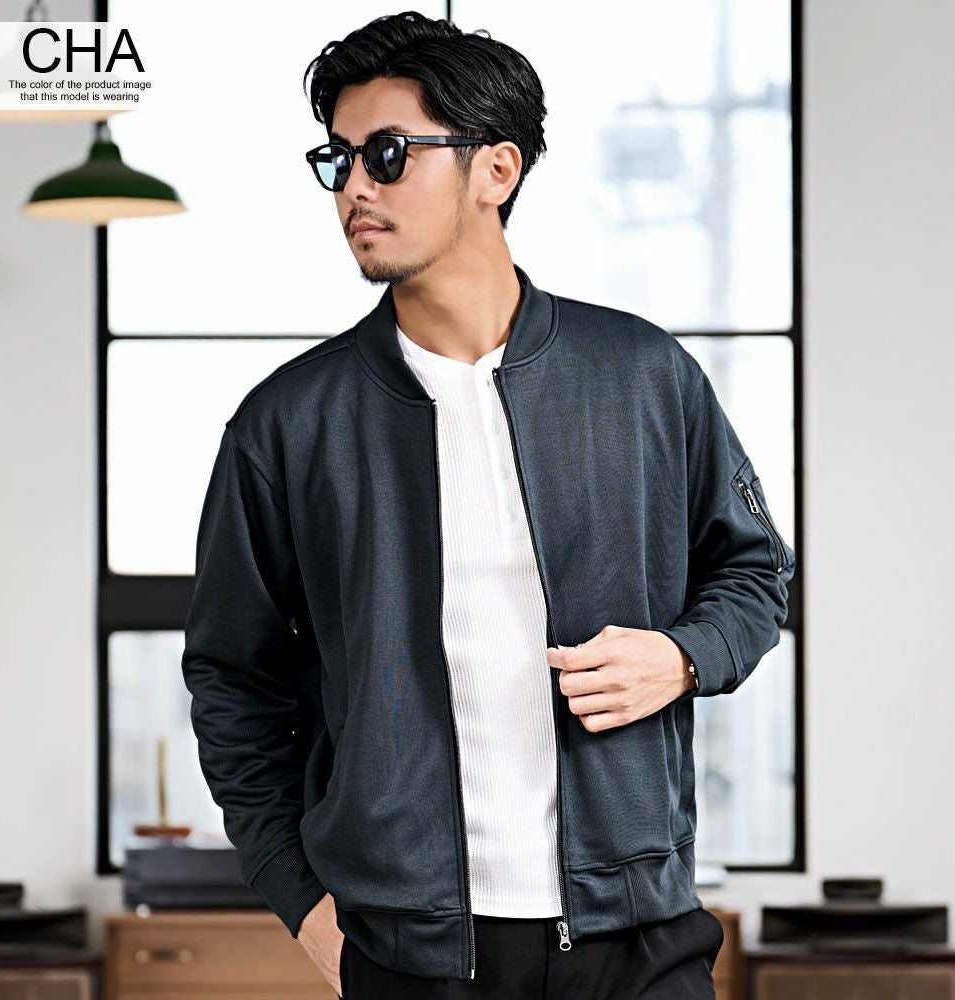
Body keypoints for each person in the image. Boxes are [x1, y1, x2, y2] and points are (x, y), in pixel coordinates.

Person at [181, 10, 796, 1000]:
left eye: (387, 154)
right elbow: (232, 683)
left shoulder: (641, 375)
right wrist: (303, 902)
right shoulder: (287, 425)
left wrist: (683, 657)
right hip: (408, 952)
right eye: (337, 160)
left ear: (495, 170)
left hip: (638, 935)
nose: (354, 188)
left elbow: (756, 571)